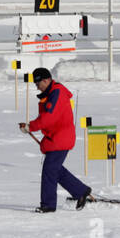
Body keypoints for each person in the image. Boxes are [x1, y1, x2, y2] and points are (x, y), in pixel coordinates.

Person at [21, 67, 91, 213]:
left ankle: (48, 205)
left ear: (46, 80)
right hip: (55, 138)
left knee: (49, 170)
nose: (37, 87)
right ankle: (81, 191)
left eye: (38, 83)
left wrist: (30, 126)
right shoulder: (51, 93)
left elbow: (48, 117)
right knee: (54, 169)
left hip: (60, 138)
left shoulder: (57, 93)